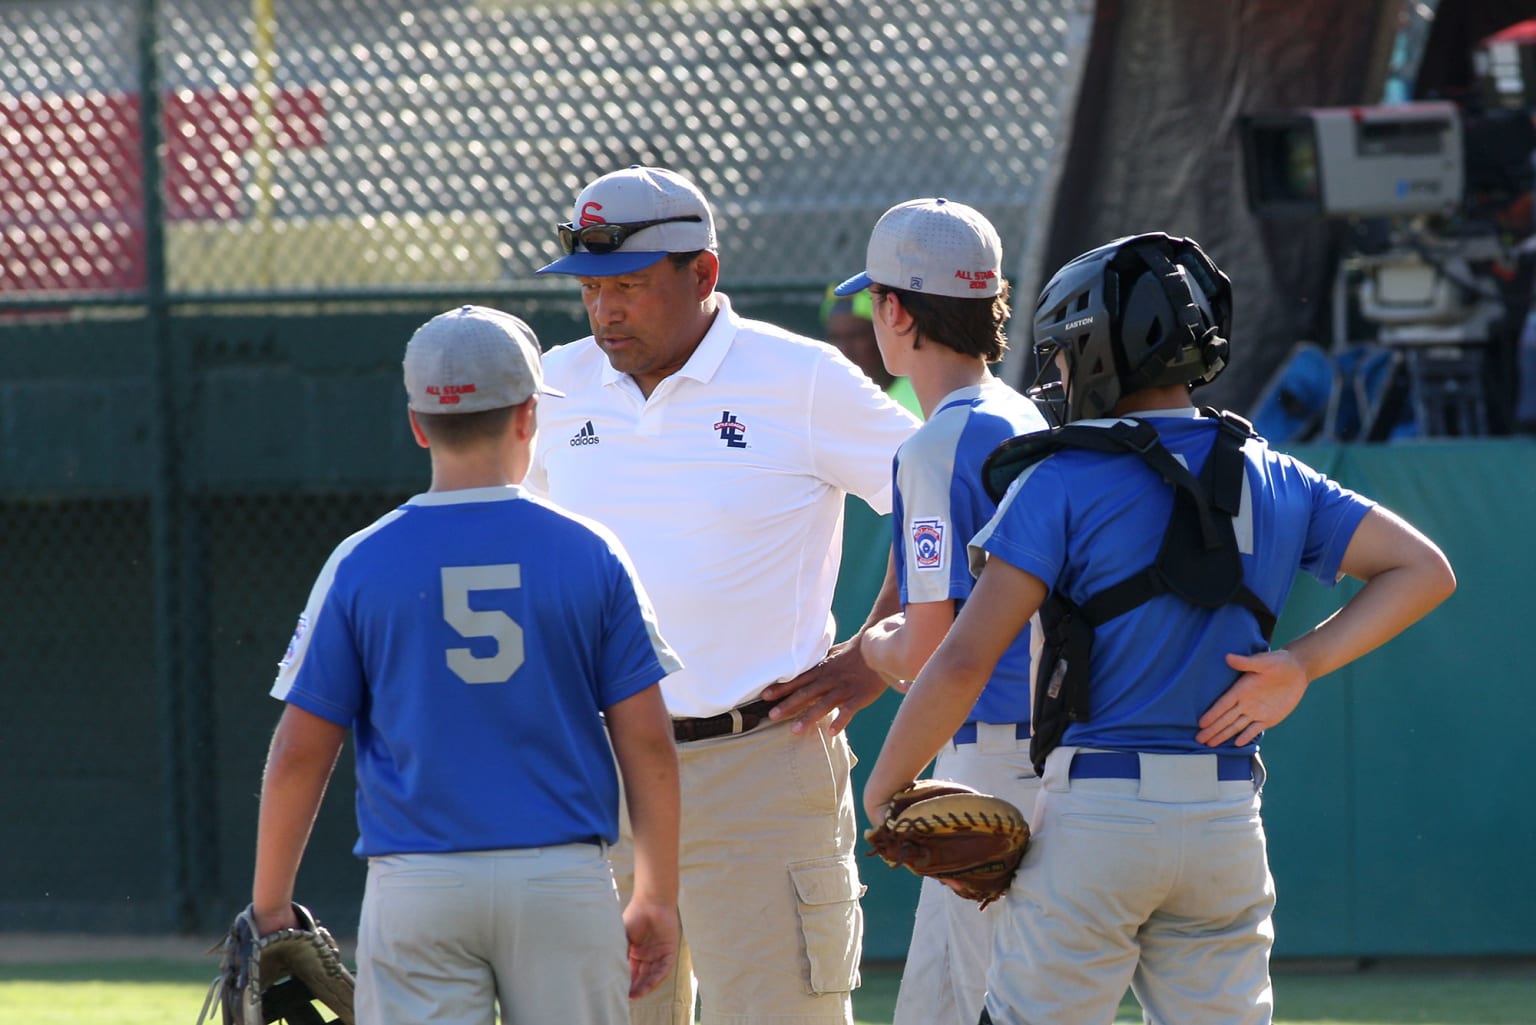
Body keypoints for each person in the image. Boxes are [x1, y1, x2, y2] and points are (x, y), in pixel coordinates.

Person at [862, 233, 1457, 1025]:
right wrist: (1301, 664)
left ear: (1096, 350)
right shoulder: (1274, 471)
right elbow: (1425, 569)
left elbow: (965, 656)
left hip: (1096, 816)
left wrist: (885, 787)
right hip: (1225, 821)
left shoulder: (1059, 476)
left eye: (1064, 353)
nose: (1058, 373)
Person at [527, 165, 920, 1025]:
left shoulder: (800, 377)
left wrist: (879, 648)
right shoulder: (555, 383)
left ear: (703, 273)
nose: (603, 311)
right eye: (590, 289)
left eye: (628, 285)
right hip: (596, 775)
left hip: (760, 766)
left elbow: (946, 491)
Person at [253, 305, 683, 1025]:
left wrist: (271, 905)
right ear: (528, 416)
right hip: (560, 878)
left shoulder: (360, 560)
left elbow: (300, 752)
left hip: (419, 881)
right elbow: (646, 739)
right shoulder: (590, 551)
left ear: (418, 425)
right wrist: (657, 894)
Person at [831, 197, 1047, 1025]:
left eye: (873, 302)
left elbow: (931, 653)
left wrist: (874, 646)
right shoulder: (1027, 415)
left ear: (895, 311)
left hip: (989, 760)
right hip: (1047, 746)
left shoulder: (936, 445)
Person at [821, 284, 922, 417]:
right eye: (834, 338)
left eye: (855, 336)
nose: (844, 349)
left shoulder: (924, 399)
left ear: (883, 335)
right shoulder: (821, 403)